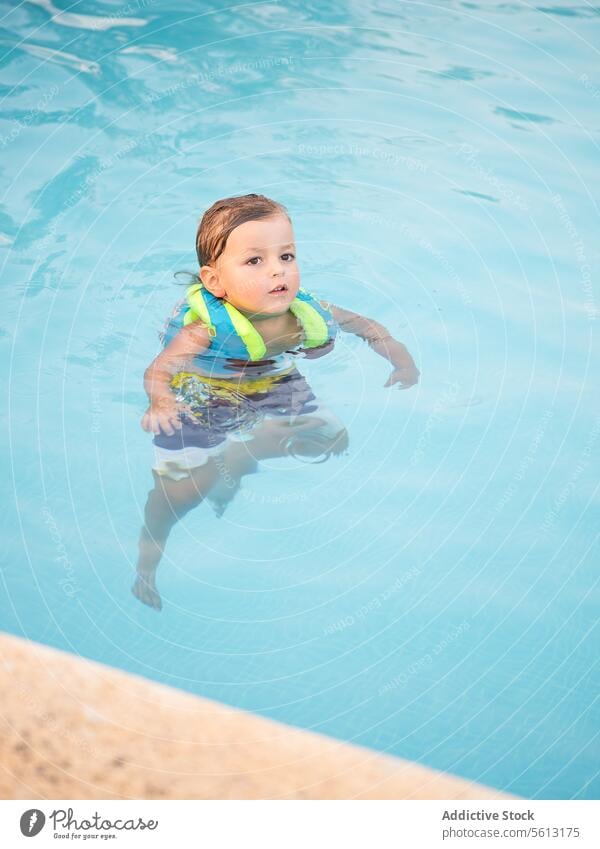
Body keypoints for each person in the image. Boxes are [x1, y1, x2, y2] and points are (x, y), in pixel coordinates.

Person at [134, 194, 419, 610]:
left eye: (286, 256)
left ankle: (241, 454)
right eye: (255, 261)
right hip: (205, 396)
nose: (277, 270)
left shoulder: (305, 313)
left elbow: (369, 328)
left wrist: (403, 363)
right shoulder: (203, 331)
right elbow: (158, 370)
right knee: (175, 494)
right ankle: (147, 567)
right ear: (214, 282)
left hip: (274, 381)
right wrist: (160, 403)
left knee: (329, 438)